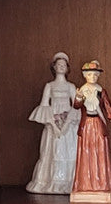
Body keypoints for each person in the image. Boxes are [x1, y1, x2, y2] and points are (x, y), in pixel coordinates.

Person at [26, 52, 78, 194]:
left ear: (67, 68)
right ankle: (49, 181)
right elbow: (44, 105)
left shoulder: (71, 86)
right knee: (52, 149)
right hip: (53, 121)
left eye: (64, 65)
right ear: (54, 67)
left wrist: (67, 123)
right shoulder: (49, 86)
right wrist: (53, 124)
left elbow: (76, 106)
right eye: (58, 64)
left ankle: (69, 181)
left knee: (69, 150)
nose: (61, 67)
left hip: (68, 123)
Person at [70, 60, 111, 203]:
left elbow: (107, 107)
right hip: (86, 125)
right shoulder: (82, 90)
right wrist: (79, 97)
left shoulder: (100, 91)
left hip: (98, 124)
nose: (93, 77)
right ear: (85, 75)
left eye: (95, 75)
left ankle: (101, 183)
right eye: (90, 74)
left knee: (99, 152)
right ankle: (85, 183)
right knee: (86, 152)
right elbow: (76, 106)